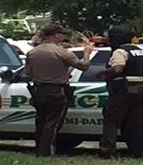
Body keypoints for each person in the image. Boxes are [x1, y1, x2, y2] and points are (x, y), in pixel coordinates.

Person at [24, 24, 93, 157]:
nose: (63, 36)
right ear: (55, 35)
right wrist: (86, 54)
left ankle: (39, 149)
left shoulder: (32, 52)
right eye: (61, 34)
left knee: (40, 120)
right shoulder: (62, 52)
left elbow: (28, 73)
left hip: (38, 89)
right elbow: (83, 67)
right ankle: (46, 152)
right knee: (53, 122)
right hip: (56, 90)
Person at [98, 26, 143, 159]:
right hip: (141, 89)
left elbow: (118, 68)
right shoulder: (141, 51)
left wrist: (103, 73)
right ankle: (141, 152)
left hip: (124, 90)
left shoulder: (120, 52)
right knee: (137, 122)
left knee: (112, 121)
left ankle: (107, 151)